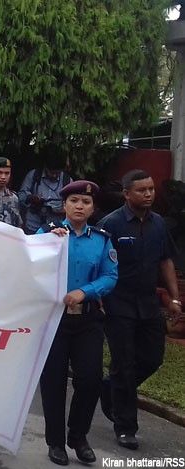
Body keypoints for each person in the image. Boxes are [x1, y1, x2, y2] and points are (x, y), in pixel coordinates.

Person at [98, 170, 181, 450]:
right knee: (124, 364)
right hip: (118, 304)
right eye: (141, 190)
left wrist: (174, 297)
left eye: (151, 189)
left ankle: (110, 387)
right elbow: (99, 263)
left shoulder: (159, 224)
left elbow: (165, 261)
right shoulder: (111, 224)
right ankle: (125, 427)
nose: (148, 194)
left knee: (152, 358)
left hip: (148, 304)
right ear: (126, 194)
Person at [37, 181, 118, 466]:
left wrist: (85, 291)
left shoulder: (101, 239)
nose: (80, 206)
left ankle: (78, 436)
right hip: (54, 319)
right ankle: (56, 442)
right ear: (64, 206)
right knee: (53, 381)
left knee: (90, 378)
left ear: (93, 208)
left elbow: (110, 276)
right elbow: (30, 264)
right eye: (74, 201)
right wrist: (48, 244)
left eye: (86, 202)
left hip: (87, 318)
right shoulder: (47, 234)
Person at [19, 150, 72, 234]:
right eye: (51, 172)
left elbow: (73, 203)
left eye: (57, 173)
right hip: (33, 226)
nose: (54, 175)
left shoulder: (67, 180)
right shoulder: (34, 175)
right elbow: (21, 196)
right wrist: (31, 198)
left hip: (57, 229)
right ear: (45, 167)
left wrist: (61, 209)